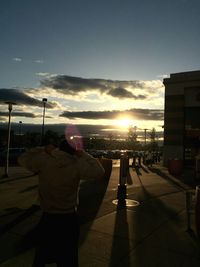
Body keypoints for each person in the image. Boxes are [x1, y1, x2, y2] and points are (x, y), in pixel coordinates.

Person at [18, 139, 105, 267]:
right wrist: (84, 154)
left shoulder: (45, 161)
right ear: (74, 151)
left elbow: (22, 158)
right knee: (68, 258)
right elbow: (99, 171)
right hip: (68, 218)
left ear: (59, 148)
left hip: (48, 217)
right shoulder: (77, 165)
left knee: (41, 256)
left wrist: (42, 149)